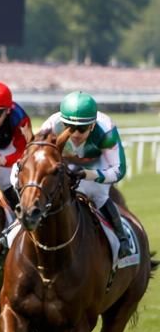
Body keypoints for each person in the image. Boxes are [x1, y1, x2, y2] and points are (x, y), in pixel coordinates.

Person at [36, 91, 132, 258]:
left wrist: (88, 174)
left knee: (98, 193)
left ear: (93, 125)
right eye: (70, 128)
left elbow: (119, 170)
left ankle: (122, 238)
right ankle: (16, 229)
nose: (75, 134)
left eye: (82, 129)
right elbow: (36, 156)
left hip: (95, 163)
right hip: (63, 161)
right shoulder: (51, 125)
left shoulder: (106, 132)